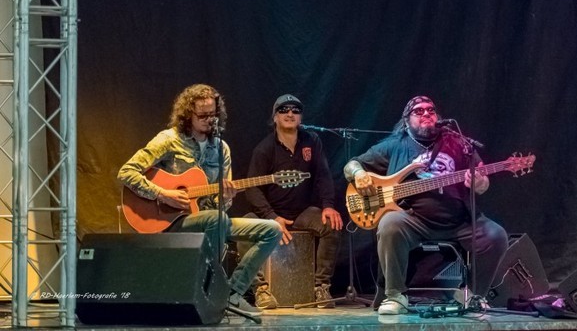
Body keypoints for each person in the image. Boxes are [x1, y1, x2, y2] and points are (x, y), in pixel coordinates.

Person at [117, 84, 282, 317]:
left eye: (213, 115)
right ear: (188, 115)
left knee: (272, 230)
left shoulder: (221, 149)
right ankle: (205, 289)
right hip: (171, 221)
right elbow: (126, 172)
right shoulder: (169, 140)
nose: (209, 121)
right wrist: (163, 194)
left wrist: (225, 198)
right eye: (202, 116)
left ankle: (231, 294)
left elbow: (218, 207)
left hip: (210, 220)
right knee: (217, 220)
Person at [343, 95, 508, 315]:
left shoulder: (459, 143)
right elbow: (351, 165)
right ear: (406, 120)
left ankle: (472, 294)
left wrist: (480, 183)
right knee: (389, 224)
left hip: (460, 221)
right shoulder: (394, 145)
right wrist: (359, 173)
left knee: (496, 235)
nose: (426, 114)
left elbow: (482, 181)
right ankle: (395, 296)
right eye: (418, 111)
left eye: (430, 110)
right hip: (414, 220)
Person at [243, 94, 343, 309]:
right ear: (275, 117)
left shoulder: (311, 141)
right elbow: (252, 188)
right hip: (269, 214)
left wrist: (328, 205)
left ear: (301, 117)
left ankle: (321, 287)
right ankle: (260, 289)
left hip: (301, 212)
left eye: (295, 110)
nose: (290, 114)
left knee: (331, 224)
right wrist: (272, 217)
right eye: (284, 110)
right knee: (244, 228)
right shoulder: (264, 148)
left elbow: (323, 175)